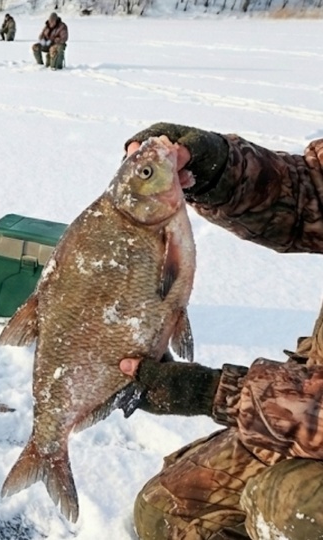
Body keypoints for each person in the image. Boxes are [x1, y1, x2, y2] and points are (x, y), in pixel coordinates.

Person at [119, 123, 323, 540]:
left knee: (286, 505)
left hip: (308, 415)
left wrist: (219, 392)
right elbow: (309, 196)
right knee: (167, 514)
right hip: (305, 401)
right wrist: (217, 166)